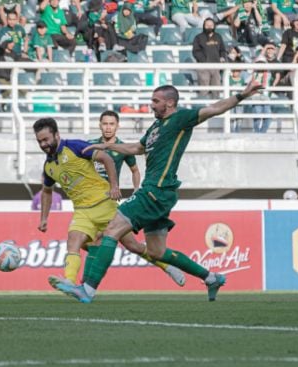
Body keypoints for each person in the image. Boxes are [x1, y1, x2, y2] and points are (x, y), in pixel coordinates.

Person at [51, 80, 262, 303]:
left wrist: (243, 95)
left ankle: (88, 289)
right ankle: (211, 278)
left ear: (170, 103)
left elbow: (214, 109)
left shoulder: (180, 119)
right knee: (156, 252)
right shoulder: (155, 127)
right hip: (160, 193)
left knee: (111, 230)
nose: (151, 105)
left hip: (156, 190)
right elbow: (136, 148)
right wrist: (108, 146)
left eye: (155, 101)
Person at [33, 118, 185, 289]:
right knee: (73, 240)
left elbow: (107, 158)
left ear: (56, 135)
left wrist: (114, 186)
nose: (43, 144)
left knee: (133, 245)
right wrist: (44, 218)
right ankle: (69, 282)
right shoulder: (49, 167)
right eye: (40, 141)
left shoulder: (74, 147)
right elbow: (47, 191)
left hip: (104, 203)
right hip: (82, 211)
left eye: (46, 139)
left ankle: (167, 266)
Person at [192, 18, 226, 99]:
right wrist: (204, 61)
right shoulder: (198, 37)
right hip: (203, 68)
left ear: (214, 26)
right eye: (207, 25)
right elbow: (196, 51)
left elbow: (223, 50)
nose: (209, 27)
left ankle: (216, 110)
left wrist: (222, 57)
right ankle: (202, 109)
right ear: (204, 26)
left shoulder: (218, 37)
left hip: (216, 67)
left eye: (211, 25)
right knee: (204, 90)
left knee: (216, 90)